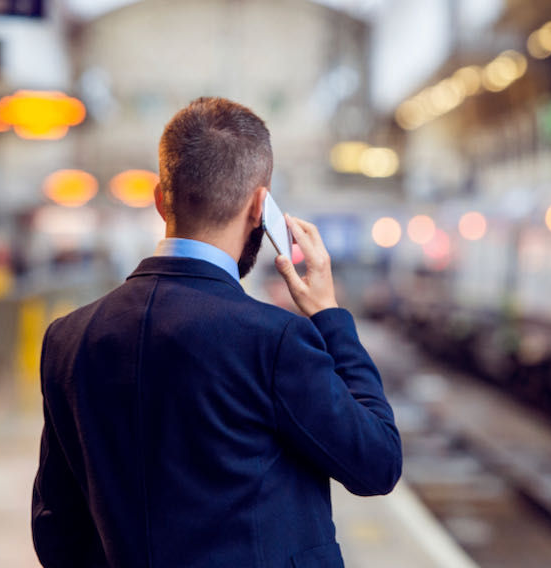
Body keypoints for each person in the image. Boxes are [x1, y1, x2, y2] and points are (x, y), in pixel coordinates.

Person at [31, 97, 402, 568]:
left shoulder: (68, 338)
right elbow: (378, 462)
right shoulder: (275, 340)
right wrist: (330, 316)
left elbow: (54, 527)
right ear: (260, 208)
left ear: (160, 198)